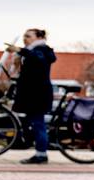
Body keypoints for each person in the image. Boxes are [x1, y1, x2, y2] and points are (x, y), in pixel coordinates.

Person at [6, 28, 57, 165]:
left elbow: (38, 59)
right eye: (24, 36)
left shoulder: (41, 49)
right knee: (32, 123)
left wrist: (19, 50)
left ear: (38, 37)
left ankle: (41, 155)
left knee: (38, 123)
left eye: (28, 36)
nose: (25, 38)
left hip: (38, 94)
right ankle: (33, 146)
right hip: (33, 93)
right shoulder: (33, 51)